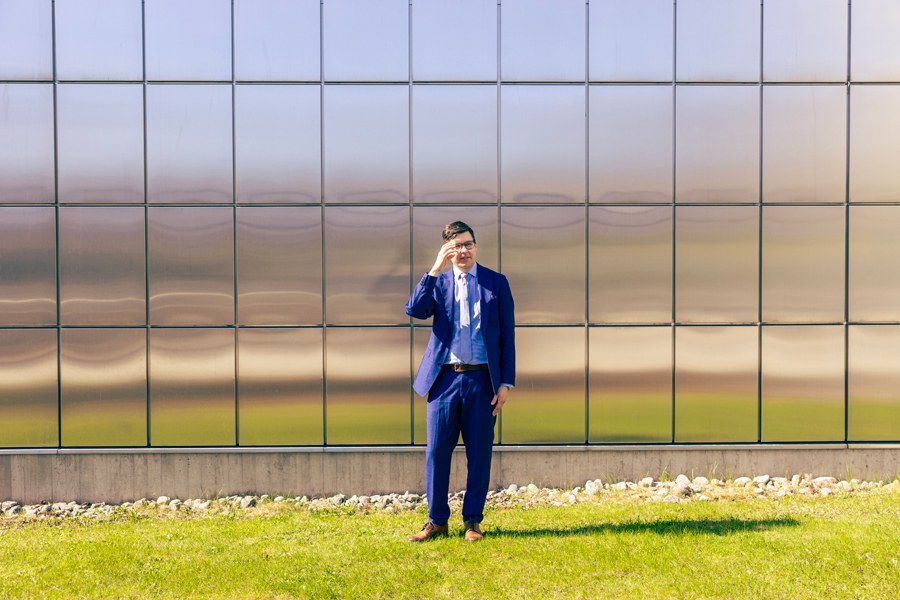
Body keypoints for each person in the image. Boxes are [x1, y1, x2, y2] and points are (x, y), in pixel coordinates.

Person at [405, 221, 515, 542]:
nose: (463, 251)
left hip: (483, 382)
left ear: (476, 246)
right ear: (447, 251)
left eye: (467, 244)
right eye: (455, 247)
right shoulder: (438, 283)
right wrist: (435, 268)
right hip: (444, 382)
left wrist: (505, 382)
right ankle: (436, 521)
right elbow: (414, 309)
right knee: (437, 452)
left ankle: (472, 522)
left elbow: (507, 336)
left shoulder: (496, 283)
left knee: (479, 453)